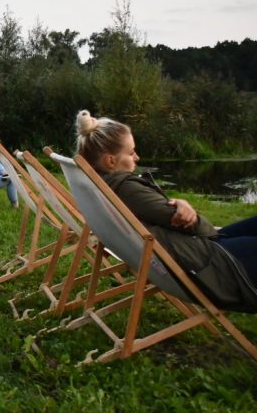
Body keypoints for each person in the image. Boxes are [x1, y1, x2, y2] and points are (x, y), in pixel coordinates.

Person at [75, 109, 257, 312]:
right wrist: (189, 211)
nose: (137, 157)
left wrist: (180, 204)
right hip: (208, 268)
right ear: (111, 161)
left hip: (191, 256)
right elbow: (187, 222)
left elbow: (161, 213)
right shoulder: (125, 187)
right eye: (131, 152)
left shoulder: (99, 186)